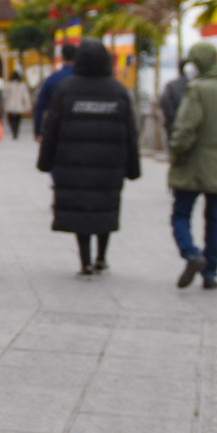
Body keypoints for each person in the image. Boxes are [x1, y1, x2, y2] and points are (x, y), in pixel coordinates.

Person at [37, 39, 140, 276]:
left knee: (80, 209)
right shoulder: (118, 91)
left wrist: (45, 161)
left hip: (73, 164)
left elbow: (51, 128)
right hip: (109, 165)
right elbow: (130, 133)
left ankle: (85, 261)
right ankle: (102, 256)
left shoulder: (66, 89)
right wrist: (132, 168)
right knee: (105, 209)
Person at [168, 40, 217, 290]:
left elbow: (186, 128)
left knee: (181, 214)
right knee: (214, 218)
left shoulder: (196, 90)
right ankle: (210, 272)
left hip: (192, 162)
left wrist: (177, 155)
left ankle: (191, 254)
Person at [32, 42, 77, 134]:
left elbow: (40, 105)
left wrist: (37, 130)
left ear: (62, 57)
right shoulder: (83, 79)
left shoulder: (51, 79)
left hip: (56, 127)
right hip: (79, 127)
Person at [2, 69, 33, 139]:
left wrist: (3, 105)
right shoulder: (22, 85)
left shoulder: (8, 85)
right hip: (19, 107)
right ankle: (16, 131)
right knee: (17, 121)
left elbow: (5, 96)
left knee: (10, 120)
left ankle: (13, 130)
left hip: (10, 106)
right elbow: (26, 97)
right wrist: (28, 107)